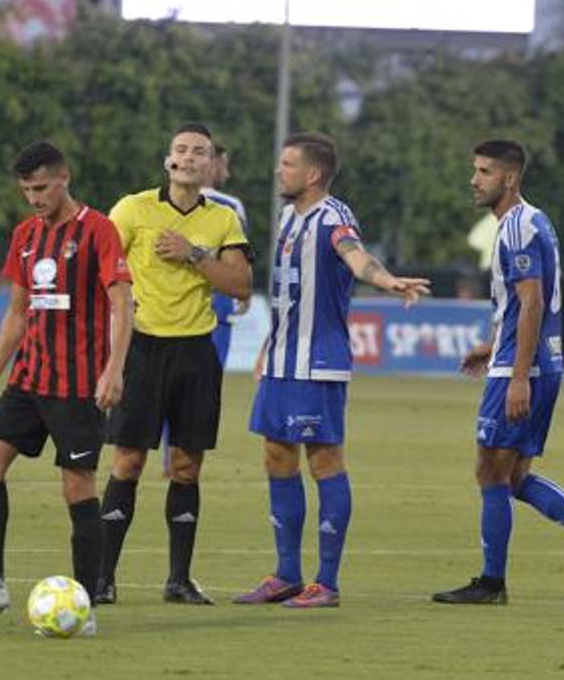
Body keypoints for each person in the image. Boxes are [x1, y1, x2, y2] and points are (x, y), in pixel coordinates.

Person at [233, 132, 430, 609]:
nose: (279, 171)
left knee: (324, 462)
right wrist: (267, 345)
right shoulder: (287, 216)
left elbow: (356, 256)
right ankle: (285, 575)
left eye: (287, 164)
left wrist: (386, 280)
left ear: (313, 174)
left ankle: (327, 581)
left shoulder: (334, 217)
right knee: (277, 457)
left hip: (318, 363)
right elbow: (291, 295)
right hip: (282, 360)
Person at [431, 140, 564, 605]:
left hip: (525, 369)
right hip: (535, 361)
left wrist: (518, 374)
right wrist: (493, 344)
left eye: (483, 171)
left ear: (510, 178)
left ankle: (492, 583)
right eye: (475, 170)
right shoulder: (531, 221)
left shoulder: (517, 227)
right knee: (514, 476)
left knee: (490, 472)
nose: (474, 179)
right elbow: (523, 303)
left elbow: (534, 300)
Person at [0, 142, 133, 617]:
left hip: (78, 386)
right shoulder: (25, 236)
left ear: (64, 178)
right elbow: (16, 313)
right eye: (27, 190)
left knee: (77, 485)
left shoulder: (98, 230)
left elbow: (121, 303)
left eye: (41, 188)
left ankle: (85, 603)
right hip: (29, 380)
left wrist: (114, 369)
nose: (34, 198)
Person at [97, 122, 253, 606]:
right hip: (142, 349)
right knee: (128, 460)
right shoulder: (132, 209)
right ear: (168, 160)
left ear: (211, 165)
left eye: (198, 152)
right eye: (180, 150)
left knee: (186, 467)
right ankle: (102, 578)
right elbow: (99, 267)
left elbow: (240, 284)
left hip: (195, 353)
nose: (188, 158)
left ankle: (179, 580)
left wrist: (193, 254)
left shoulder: (223, 220)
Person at [202, 142, 250, 367]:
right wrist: (244, 291)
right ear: (211, 165)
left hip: (172, 307)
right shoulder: (230, 205)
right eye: (224, 166)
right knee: (208, 386)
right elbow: (239, 258)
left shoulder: (161, 201)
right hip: (216, 305)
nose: (227, 173)